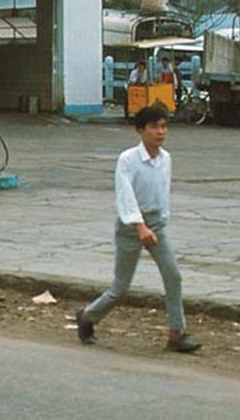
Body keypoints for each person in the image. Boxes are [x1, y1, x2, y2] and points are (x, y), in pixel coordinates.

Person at [75, 102, 200, 353]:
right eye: (154, 127)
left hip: (156, 225)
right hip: (130, 226)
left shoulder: (165, 159)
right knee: (121, 289)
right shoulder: (128, 160)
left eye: (164, 127)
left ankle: (176, 333)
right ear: (141, 131)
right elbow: (126, 196)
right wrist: (140, 227)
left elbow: (162, 193)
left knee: (173, 276)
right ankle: (88, 316)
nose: (161, 132)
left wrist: (160, 222)